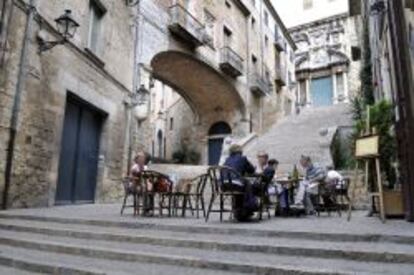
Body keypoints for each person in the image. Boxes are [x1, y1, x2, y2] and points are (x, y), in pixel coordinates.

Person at [223, 144, 257, 221]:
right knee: (247, 184)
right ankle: (247, 208)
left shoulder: (227, 159)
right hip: (234, 184)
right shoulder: (243, 158)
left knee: (242, 185)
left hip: (224, 185)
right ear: (240, 151)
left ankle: (238, 211)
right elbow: (251, 170)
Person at [130, 151, 153, 216]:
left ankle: (149, 209)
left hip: (144, 185)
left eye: (143, 158)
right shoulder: (134, 167)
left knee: (150, 190)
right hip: (135, 185)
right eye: (140, 158)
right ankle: (145, 210)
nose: (141, 159)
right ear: (137, 159)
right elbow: (132, 177)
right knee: (145, 189)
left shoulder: (145, 167)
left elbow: (148, 177)